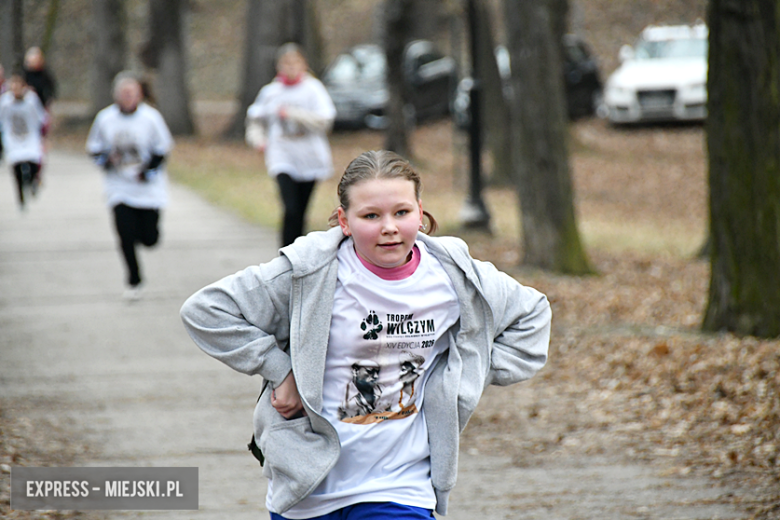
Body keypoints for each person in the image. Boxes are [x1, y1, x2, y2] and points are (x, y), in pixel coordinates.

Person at [180, 150, 552, 519]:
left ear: (420, 212)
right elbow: (206, 310)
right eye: (371, 215)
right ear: (344, 220)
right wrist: (282, 371)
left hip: (401, 487)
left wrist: (465, 372)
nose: (389, 227)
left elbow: (532, 314)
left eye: (402, 212)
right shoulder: (310, 272)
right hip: (309, 488)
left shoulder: (453, 277)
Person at [86, 72, 173, 300]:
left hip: (148, 188)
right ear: (116, 95)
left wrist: (148, 171)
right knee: (124, 234)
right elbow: (94, 149)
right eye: (123, 93)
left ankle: (143, 234)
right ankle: (134, 280)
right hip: (119, 187)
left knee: (149, 239)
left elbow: (163, 148)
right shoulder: (105, 118)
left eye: (131, 93)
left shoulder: (151, 118)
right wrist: (107, 160)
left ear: (139, 94)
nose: (127, 97)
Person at [246, 42, 336, 247]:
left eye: (295, 62)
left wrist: (293, 114)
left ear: (304, 64)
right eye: (286, 63)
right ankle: (285, 250)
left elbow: (325, 120)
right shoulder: (271, 92)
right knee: (290, 207)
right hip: (282, 152)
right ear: (279, 66)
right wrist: (258, 141)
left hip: (309, 153)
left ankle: (299, 250)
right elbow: (255, 120)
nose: (291, 67)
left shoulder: (313, 89)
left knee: (302, 209)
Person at [0, 72, 47, 211]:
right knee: (16, 168)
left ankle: (32, 182)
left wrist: (43, 134)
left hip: (30, 137)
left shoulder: (31, 100)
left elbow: (41, 117)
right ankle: (20, 195)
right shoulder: (5, 102)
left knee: (33, 164)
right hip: (13, 139)